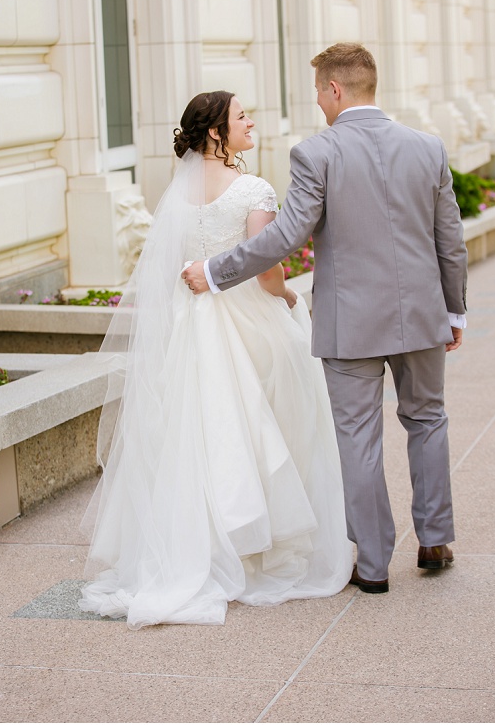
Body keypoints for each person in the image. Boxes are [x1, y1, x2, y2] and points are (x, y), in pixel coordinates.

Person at [183, 43, 468, 594]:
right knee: (427, 420)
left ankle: (374, 564)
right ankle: (434, 540)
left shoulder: (316, 154)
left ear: (334, 89)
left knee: (357, 438)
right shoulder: (427, 148)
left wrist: (216, 272)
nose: (316, 101)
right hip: (422, 315)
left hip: (351, 324)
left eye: (318, 90)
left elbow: (286, 236)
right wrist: (453, 308)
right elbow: (448, 240)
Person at [80, 91, 353, 628]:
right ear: (215, 133)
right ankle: (259, 547)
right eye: (241, 117)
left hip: (190, 322)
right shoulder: (254, 187)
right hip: (248, 317)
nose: (252, 122)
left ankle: (202, 546)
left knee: (199, 433)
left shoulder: (176, 193)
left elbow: (168, 270)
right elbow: (268, 269)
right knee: (265, 423)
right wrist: (291, 300)